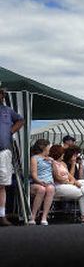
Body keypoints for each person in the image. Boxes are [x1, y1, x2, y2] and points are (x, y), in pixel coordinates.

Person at [49, 145, 84, 224]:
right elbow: (57, 178)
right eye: (62, 153)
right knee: (83, 192)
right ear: (57, 153)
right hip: (58, 186)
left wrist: (72, 181)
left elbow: (71, 177)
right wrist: (69, 182)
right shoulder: (52, 163)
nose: (63, 155)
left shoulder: (63, 163)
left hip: (67, 184)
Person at [0, 87, 24, 226]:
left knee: (2, 185)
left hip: (4, 151)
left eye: (1, 93)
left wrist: (9, 132)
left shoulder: (7, 110)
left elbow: (21, 120)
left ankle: (1, 216)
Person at [29, 139, 56, 225]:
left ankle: (44, 217)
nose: (50, 148)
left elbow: (55, 174)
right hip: (37, 183)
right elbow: (34, 174)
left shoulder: (50, 159)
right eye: (49, 146)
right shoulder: (34, 158)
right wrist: (40, 182)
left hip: (49, 183)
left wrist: (53, 163)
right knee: (41, 189)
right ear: (44, 147)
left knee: (51, 189)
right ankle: (33, 216)